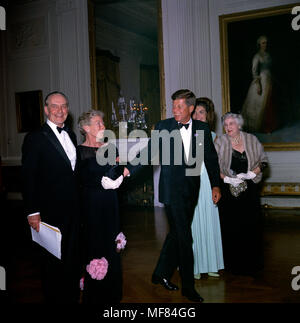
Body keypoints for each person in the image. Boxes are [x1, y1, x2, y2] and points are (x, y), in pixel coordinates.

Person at [126, 89, 221, 302]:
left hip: (191, 191)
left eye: (179, 106)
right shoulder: (164, 126)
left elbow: (211, 159)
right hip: (171, 192)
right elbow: (149, 152)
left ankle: (159, 273)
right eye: (173, 106)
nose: (174, 110)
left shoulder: (202, 128)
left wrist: (216, 186)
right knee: (185, 238)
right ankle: (188, 287)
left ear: (190, 108)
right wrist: (129, 169)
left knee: (176, 234)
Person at [22, 91, 81, 303]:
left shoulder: (72, 135)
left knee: (72, 257)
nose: (60, 110)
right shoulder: (35, 137)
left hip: (74, 211)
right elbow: (28, 177)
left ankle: (71, 297)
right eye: (55, 106)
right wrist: (33, 212)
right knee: (51, 261)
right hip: (49, 212)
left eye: (64, 106)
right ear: (46, 110)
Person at [77, 109, 124, 304]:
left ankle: (113, 296)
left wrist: (120, 175)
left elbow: (119, 171)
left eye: (103, 123)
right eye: (98, 123)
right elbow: (78, 181)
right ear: (86, 128)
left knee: (111, 247)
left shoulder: (111, 149)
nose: (103, 127)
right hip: (90, 207)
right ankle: (94, 294)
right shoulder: (78, 152)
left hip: (110, 205)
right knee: (94, 247)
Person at [214, 112, 268, 276]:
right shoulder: (220, 142)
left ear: (239, 125)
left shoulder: (251, 140)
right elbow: (213, 167)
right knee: (231, 226)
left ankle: (252, 263)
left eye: (231, 124)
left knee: (251, 225)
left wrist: (252, 174)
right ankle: (232, 264)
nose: (228, 127)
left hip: (250, 190)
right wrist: (227, 180)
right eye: (225, 124)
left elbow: (264, 162)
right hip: (228, 191)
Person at [191, 98, 224, 279]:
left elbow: (216, 164)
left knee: (210, 221)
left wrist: (216, 186)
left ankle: (212, 263)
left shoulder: (213, 137)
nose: (197, 115)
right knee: (193, 222)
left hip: (208, 182)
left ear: (208, 116)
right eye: (195, 112)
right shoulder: (186, 133)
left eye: (201, 112)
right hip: (191, 182)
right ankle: (195, 265)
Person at [241, 35, 278, 133]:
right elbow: (254, 71)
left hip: (269, 81)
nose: (265, 45)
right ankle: (263, 127)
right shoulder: (257, 56)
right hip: (261, 81)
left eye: (266, 43)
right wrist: (258, 85)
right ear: (259, 44)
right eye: (263, 43)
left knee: (269, 104)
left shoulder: (268, 55)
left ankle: (269, 126)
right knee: (260, 105)